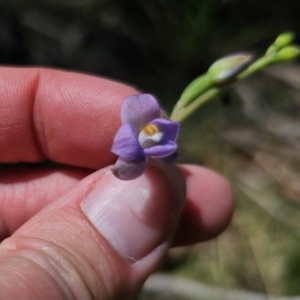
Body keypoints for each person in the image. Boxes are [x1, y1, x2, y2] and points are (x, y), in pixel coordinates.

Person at [0, 67, 234, 299]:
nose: (152, 130)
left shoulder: (144, 134)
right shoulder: (134, 139)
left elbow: (153, 142)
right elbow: (132, 141)